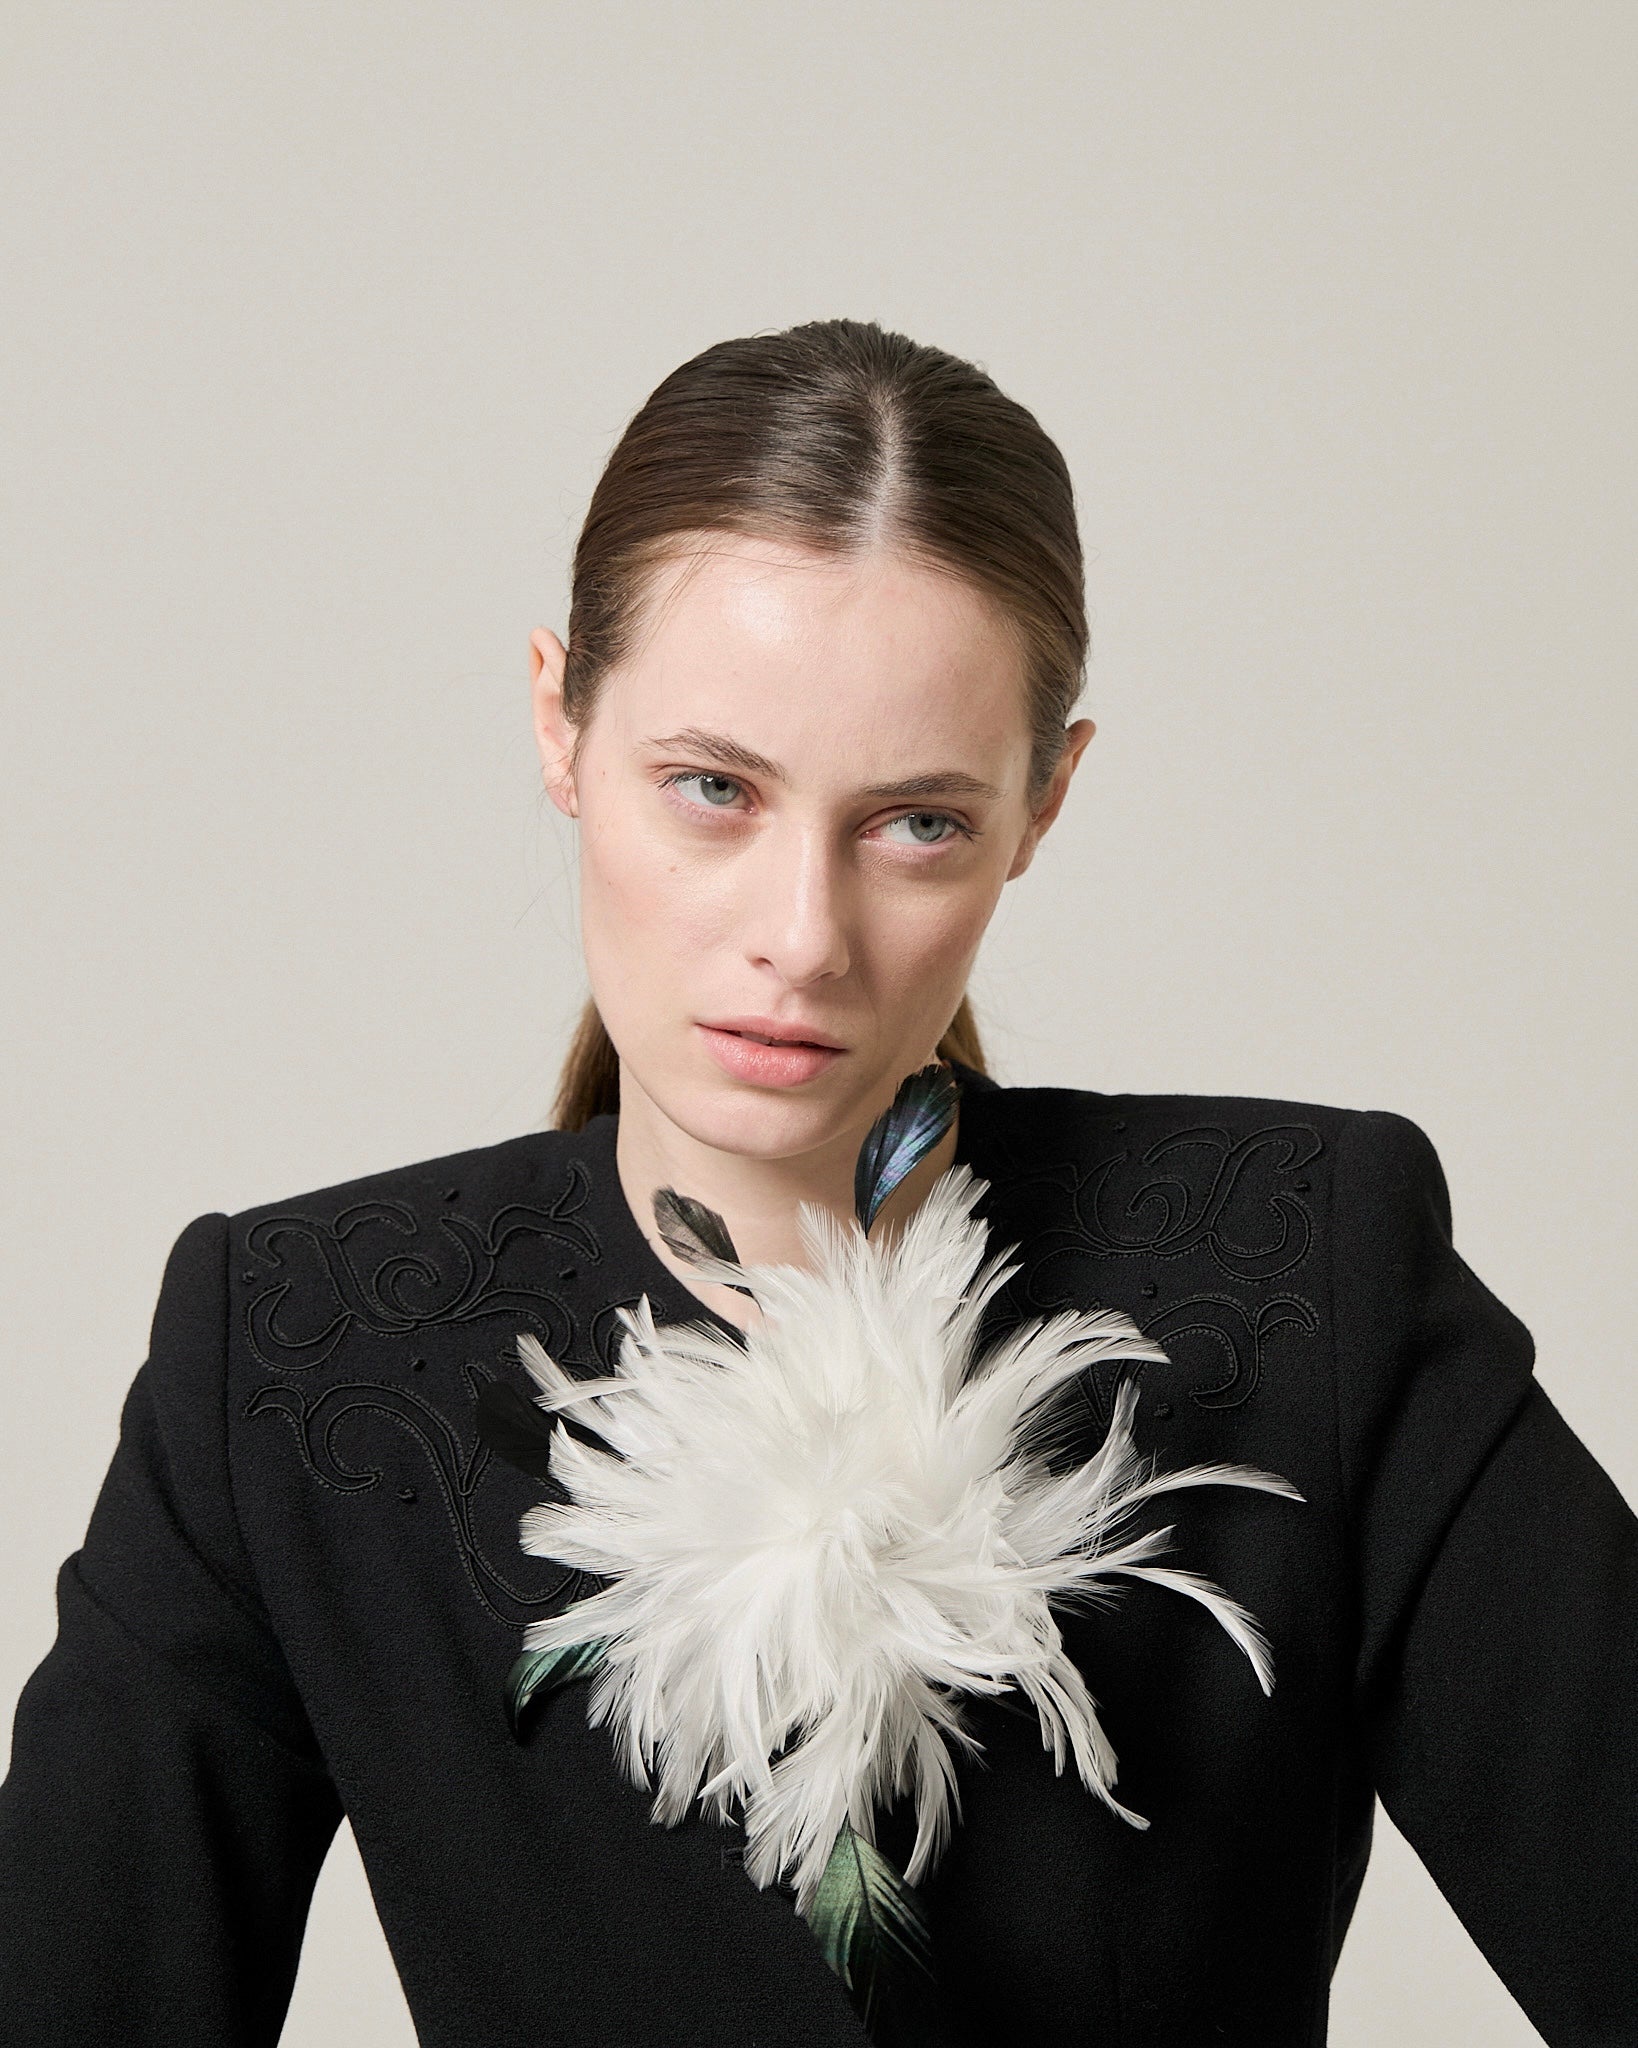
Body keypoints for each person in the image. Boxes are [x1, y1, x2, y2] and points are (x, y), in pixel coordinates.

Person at [1, 317, 1632, 2048]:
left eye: (915, 822)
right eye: (710, 789)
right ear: (558, 724)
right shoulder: (290, 1359)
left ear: (1042, 801)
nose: (801, 938)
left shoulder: (1312, 1268)